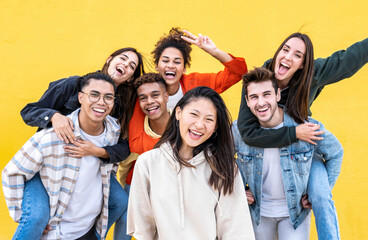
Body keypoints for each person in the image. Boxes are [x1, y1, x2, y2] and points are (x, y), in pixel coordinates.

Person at [237, 33, 368, 239]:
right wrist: (294, 132)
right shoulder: (260, 82)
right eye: (285, 50)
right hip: (272, 149)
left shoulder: (312, 75)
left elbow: (348, 59)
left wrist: (299, 133)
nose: (288, 57)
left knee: (321, 196)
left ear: (302, 65)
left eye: (298, 55)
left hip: (302, 150)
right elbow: (247, 133)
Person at [18, 47, 145, 239]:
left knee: (119, 201)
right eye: (123, 59)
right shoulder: (73, 85)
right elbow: (29, 111)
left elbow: (124, 147)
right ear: (110, 59)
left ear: (129, 78)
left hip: (90, 167)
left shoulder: (119, 107)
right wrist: (54, 116)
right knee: (36, 216)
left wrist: (98, 151)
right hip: (50, 165)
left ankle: (88, 235)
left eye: (131, 66)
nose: (125, 65)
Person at [3, 72, 121, 239]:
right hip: (57, 232)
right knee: (35, 216)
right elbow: (12, 172)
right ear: (80, 97)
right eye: (94, 95)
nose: (101, 102)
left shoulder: (114, 131)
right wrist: (21, 215)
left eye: (108, 97)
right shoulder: (53, 137)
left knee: (121, 201)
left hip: (88, 230)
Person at [127, 86, 255, 240]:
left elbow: (236, 229)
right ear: (178, 113)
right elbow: (143, 229)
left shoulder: (224, 166)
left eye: (209, 119)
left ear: (215, 127)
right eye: (194, 114)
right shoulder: (147, 163)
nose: (200, 125)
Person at [233, 67, 343, 240]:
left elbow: (335, 152)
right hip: (258, 213)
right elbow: (220, 160)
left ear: (278, 94)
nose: (261, 102)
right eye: (254, 97)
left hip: (294, 214)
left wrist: (319, 191)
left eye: (266, 94)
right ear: (246, 101)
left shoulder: (305, 127)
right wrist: (236, 188)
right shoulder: (238, 131)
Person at [129, 27, 247, 156]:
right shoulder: (147, 94)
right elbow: (135, 142)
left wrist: (214, 51)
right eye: (165, 60)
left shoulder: (196, 84)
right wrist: (177, 147)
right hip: (158, 159)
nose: (171, 65)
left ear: (184, 68)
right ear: (157, 66)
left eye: (177, 62)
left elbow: (238, 73)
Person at [119, 73, 170, 187]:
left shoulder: (182, 126)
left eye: (155, 95)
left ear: (166, 96)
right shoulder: (138, 137)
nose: (149, 101)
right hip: (137, 186)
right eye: (143, 98)